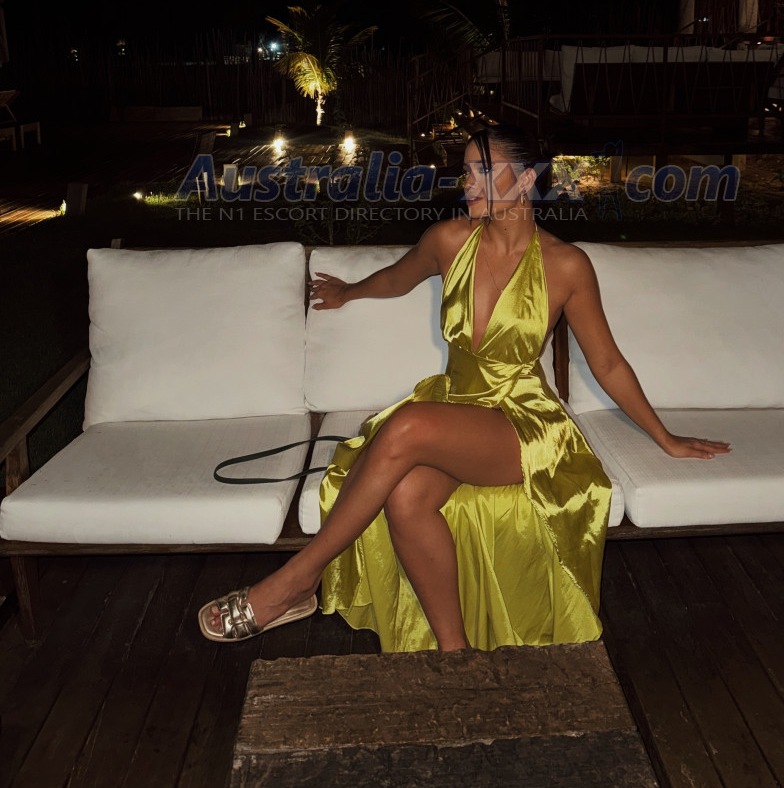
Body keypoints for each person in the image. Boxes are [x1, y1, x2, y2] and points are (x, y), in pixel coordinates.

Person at [198, 123, 730, 648]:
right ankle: (456, 656)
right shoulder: (449, 240)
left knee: (408, 424)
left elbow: (607, 363)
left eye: (483, 171)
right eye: (467, 171)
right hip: (456, 405)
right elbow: (398, 278)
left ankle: (296, 580)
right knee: (406, 496)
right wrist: (349, 291)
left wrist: (664, 437)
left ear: (527, 180)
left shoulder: (567, 265)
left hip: (523, 424)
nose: (468, 183)